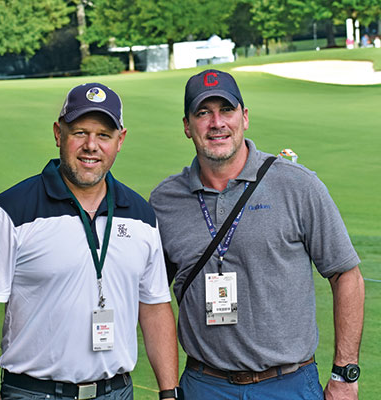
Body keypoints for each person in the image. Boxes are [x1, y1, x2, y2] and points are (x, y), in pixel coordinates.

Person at [149, 70, 365, 400]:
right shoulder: (165, 201)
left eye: (227, 110)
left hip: (289, 384)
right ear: (186, 126)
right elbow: (151, 298)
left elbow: (346, 275)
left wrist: (345, 374)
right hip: (205, 385)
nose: (217, 123)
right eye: (203, 113)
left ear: (244, 117)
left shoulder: (297, 185)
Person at [0, 82, 181, 400]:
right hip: (34, 392)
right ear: (58, 134)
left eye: (104, 135)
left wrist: (168, 393)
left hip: (116, 392)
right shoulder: (10, 210)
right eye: (79, 132)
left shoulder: (140, 214)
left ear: (120, 141)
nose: (91, 145)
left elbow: (155, 307)